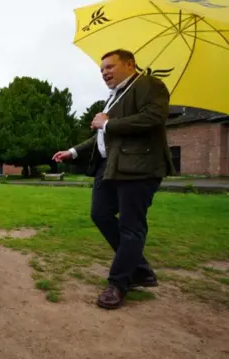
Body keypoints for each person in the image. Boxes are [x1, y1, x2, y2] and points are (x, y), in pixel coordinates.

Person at [52, 49, 175, 309]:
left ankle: (119, 283)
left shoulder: (150, 86)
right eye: (102, 69)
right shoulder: (114, 96)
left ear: (129, 64)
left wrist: (107, 123)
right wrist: (73, 151)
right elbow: (103, 136)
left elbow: (153, 118)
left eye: (110, 67)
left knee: (132, 227)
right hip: (109, 167)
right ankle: (140, 269)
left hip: (139, 167)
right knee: (100, 214)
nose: (105, 73)